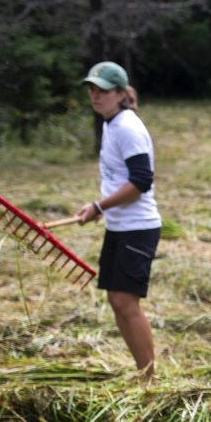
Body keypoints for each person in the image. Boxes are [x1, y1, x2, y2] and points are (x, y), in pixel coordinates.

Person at [72, 62, 160, 381]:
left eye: (103, 91)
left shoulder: (127, 127)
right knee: (116, 299)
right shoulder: (111, 123)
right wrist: (99, 209)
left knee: (126, 301)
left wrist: (99, 205)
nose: (95, 96)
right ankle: (142, 373)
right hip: (119, 226)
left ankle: (149, 379)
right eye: (92, 89)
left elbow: (140, 181)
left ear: (120, 94)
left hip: (138, 228)